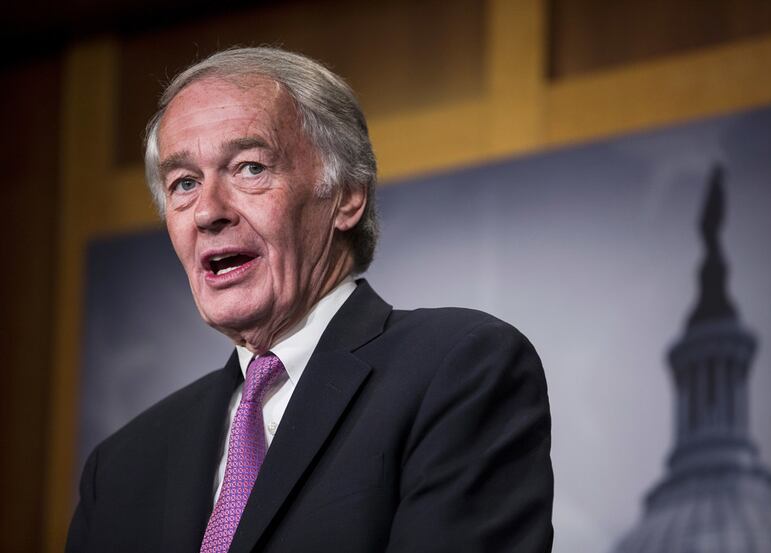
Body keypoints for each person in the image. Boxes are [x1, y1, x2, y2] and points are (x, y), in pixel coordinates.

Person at [66, 46, 553, 553]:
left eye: (250, 168)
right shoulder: (121, 466)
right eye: (184, 183)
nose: (208, 211)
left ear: (346, 195)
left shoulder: (459, 368)